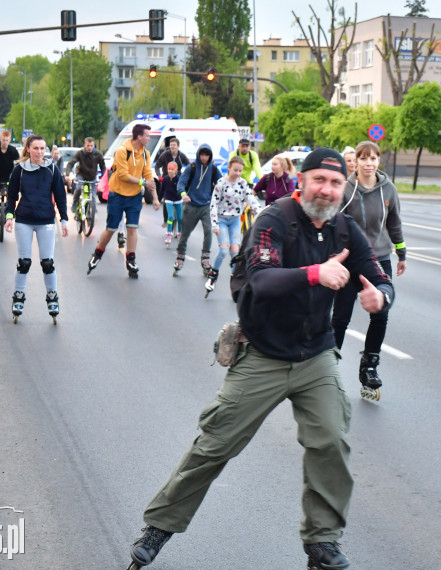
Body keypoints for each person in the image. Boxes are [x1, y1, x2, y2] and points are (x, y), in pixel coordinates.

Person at [127, 148, 394, 570]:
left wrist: (381, 295)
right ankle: (159, 526)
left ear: (343, 188)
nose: (326, 190)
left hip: (315, 355)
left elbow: (378, 275)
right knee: (215, 442)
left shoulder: (345, 230)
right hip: (263, 353)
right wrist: (315, 273)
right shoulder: (275, 219)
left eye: (334, 184)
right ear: (301, 181)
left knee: (331, 440)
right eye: (319, 181)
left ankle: (321, 542)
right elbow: (262, 280)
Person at [331, 141, 406, 399]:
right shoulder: (346, 189)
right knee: (341, 316)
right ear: (357, 162)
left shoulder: (388, 189)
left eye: (373, 158)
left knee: (381, 313)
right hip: (350, 259)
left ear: (378, 161)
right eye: (364, 158)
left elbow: (394, 223)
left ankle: (369, 367)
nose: (369, 163)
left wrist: (402, 252)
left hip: (380, 257)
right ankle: (328, 369)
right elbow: (333, 222)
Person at [3, 135, 69, 321]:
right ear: (28, 149)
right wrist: (9, 216)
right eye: (36, 148)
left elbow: (60, 196)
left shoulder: (52, 169)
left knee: (47, 263)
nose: (40, 152)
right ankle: (18, 296)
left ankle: (52, 296)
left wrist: (64, 219)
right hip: (24, 219)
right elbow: (12, 196)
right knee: (24, 262)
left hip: (46, 220)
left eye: (42, 148)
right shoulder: (19, 170)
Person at [87, 123, 160, 278]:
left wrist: (155, 198)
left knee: (132, 228)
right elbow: (122, 175)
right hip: (117, 195)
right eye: (147, 135)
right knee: (111, 229)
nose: (149, 138)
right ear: (139, 136)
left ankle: (131, 259)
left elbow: (148, 175)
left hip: (134, 197)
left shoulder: (145, 154)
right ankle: (98, 253)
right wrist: (142, 183)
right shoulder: (122, 151)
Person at [206, 155, 261, 295]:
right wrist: (214, 224)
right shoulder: (221, 183)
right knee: (223, 251)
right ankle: (213, 277)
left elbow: (250, 197)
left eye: (240, 171)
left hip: (236, 220)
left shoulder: (242, 183)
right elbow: (214, 204)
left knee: (235, 252)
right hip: (222, 220)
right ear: (229, 168)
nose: (237, 173)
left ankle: (236, 280)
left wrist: (260, 211)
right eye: (235, 170)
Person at [173, 143, 222, 277]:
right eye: (202, 154)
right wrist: (183, 194)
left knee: (208, 231)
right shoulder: (192, 167)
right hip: (191, 206)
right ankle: (180, 257)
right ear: (198, 154)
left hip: (206, 206)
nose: (204, 157)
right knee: (185, 234)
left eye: (207, 155)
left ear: (210, 156)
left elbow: (222, 183)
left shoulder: (213, 169)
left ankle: (205, 259)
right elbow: (181, 182)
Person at [153, 136, 190, 228]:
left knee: (178, 198)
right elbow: (157, 166)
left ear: (178, 146)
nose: (172, 147)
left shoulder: (181, 156)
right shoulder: (165, 154)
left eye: (174, 145)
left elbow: (189, 166)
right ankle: (166, 220)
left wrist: (185, 176)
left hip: (178, 179)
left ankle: (178, 218)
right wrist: (159, 175)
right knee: (167, 199)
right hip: (166, 179)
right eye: (171, 145)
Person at [66, 137, 106, 218]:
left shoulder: (98, 154)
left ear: (94, 145)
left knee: (94, 196)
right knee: (79, 188)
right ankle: (75, 202)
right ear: (84, 145)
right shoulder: (80, 153)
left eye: (91, 145)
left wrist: (102, 176)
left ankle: (93, 209)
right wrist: (68, 173)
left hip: (92, 176)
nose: (89, 147)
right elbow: (71, 163)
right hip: (81, 175)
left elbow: (103, 166)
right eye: (88, 145)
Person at [159, 162, 183, 248]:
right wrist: (158, 200)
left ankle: (179, 232)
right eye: (169, 169)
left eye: (172, 169)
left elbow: (182, 189)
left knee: (180, 218)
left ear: (176, 170)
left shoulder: (179, 179)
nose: (170, 171)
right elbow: (162, 190)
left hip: (177, 199)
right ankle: (169, 234)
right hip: (168, 199)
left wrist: (184, 195)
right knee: (170, 217)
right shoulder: (165, 179)